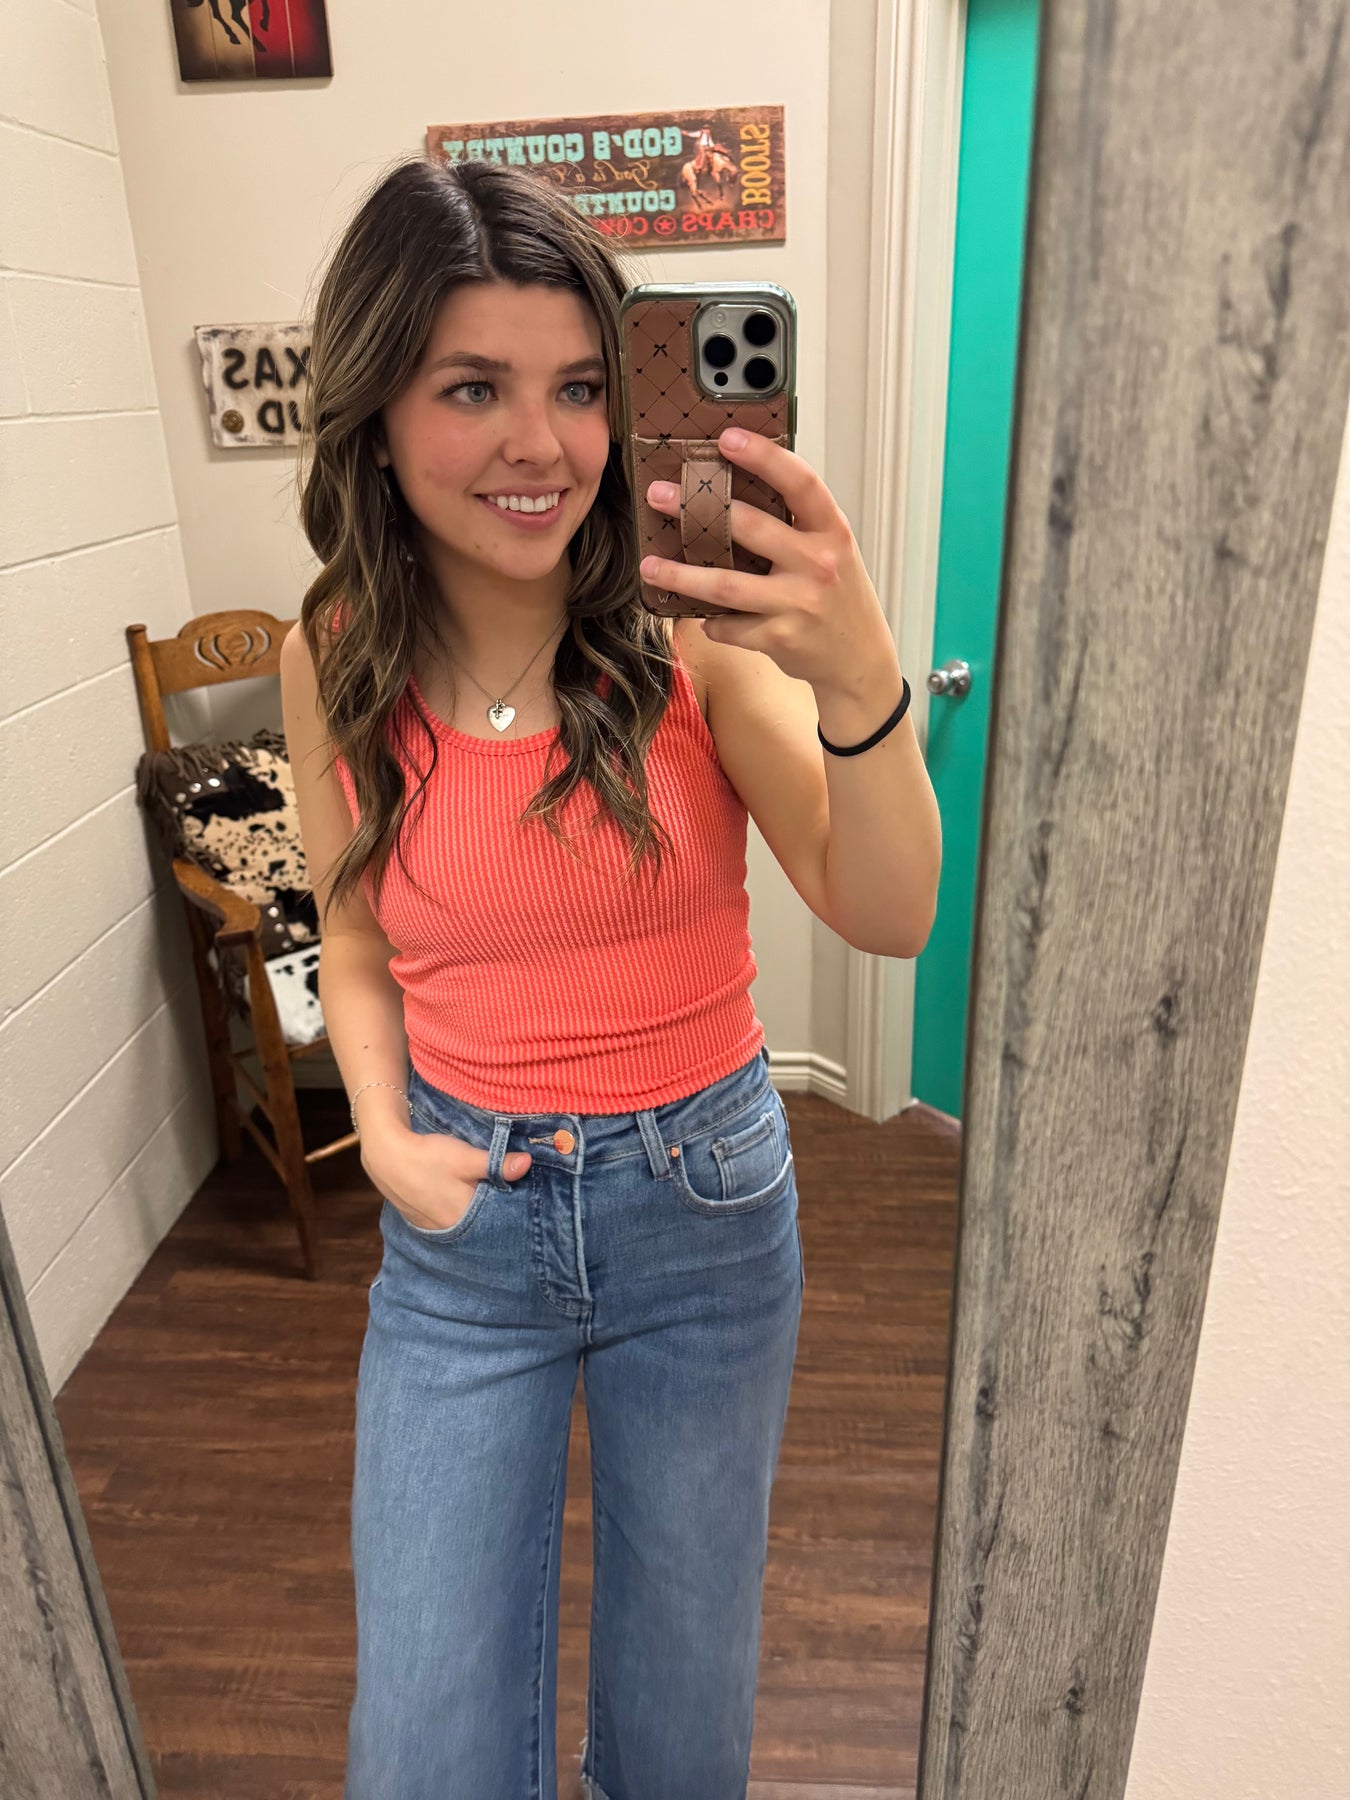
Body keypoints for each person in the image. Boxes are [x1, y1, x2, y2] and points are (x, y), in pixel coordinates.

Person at [281, 155, 940, 1800]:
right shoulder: (336, 649)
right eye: (473, 388)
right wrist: (381, 1132)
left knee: (679, 1720)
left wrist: (858, 679)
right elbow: (352, 934)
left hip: (699, 1212)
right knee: (423, 1743)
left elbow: (887, 913)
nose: (542, 444)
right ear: (376, 414)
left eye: (580, 388)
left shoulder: (691, 632)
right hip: (462, 1231)